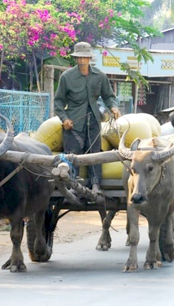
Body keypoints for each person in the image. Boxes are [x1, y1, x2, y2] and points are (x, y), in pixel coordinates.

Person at [54, 41, 121, 194]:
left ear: (90, 58)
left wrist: (113, 107)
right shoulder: (67, 77)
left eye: (85, 58)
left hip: (94, 122)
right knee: (72, 155)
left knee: (95, 155)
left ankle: (96, 185)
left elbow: (108, 96)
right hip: (74, 124)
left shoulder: (100, 76)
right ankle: (71, 185)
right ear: (76, 59)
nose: (82, 61)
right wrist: (64, 119)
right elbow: (58, 101)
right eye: (79, 58)